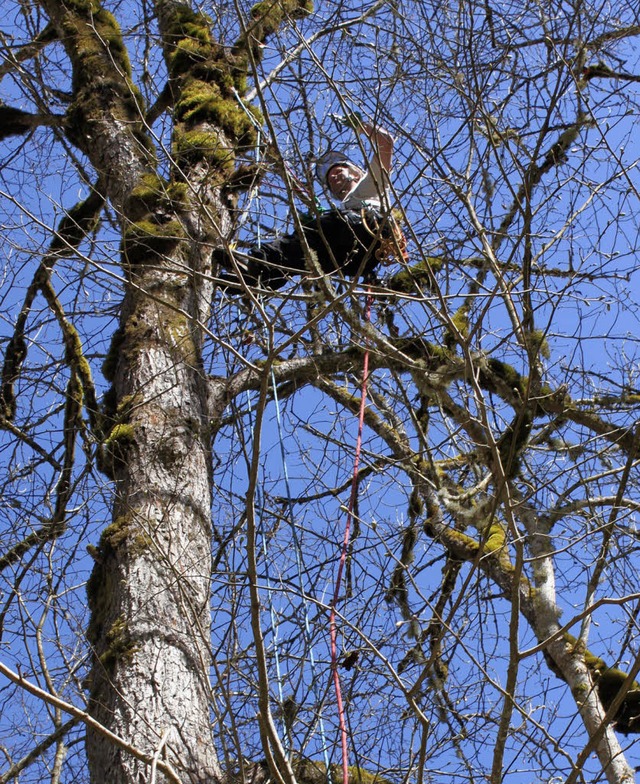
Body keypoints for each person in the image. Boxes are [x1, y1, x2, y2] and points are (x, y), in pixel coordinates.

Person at [213, 121, 400, 291]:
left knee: (309, 232)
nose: (333, 178)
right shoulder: (344, 207)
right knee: (302, 251)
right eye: (330, 180)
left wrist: (359, 124)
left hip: (368, 230)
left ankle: (257, 266)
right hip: (349, 258)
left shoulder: (373, 183)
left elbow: (386, 142)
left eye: (338, 172)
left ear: (355, 173)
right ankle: (258, 277)